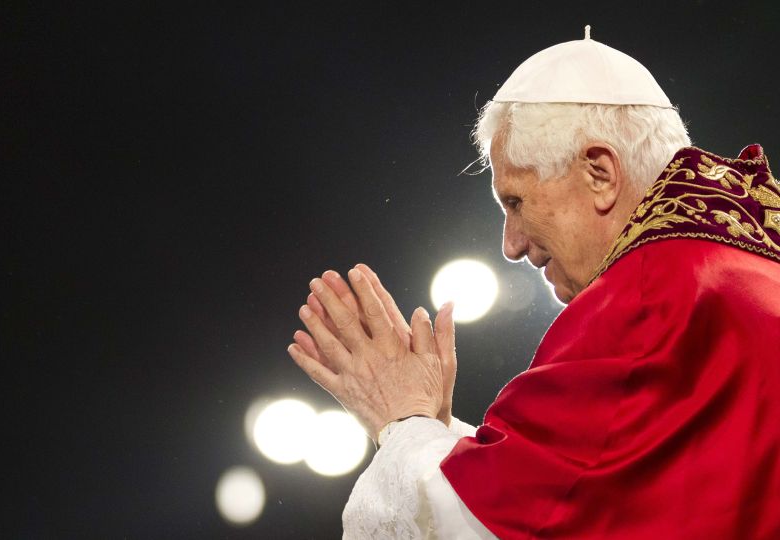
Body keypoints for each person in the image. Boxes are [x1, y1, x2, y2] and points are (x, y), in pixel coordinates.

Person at [287, 30, 780, 539]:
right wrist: (441, 438)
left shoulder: (649, 296)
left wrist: (402, 421)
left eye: (516, 203)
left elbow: (499, 526)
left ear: (600, 173)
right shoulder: (742, 269)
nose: (511, 244)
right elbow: (620, 501)